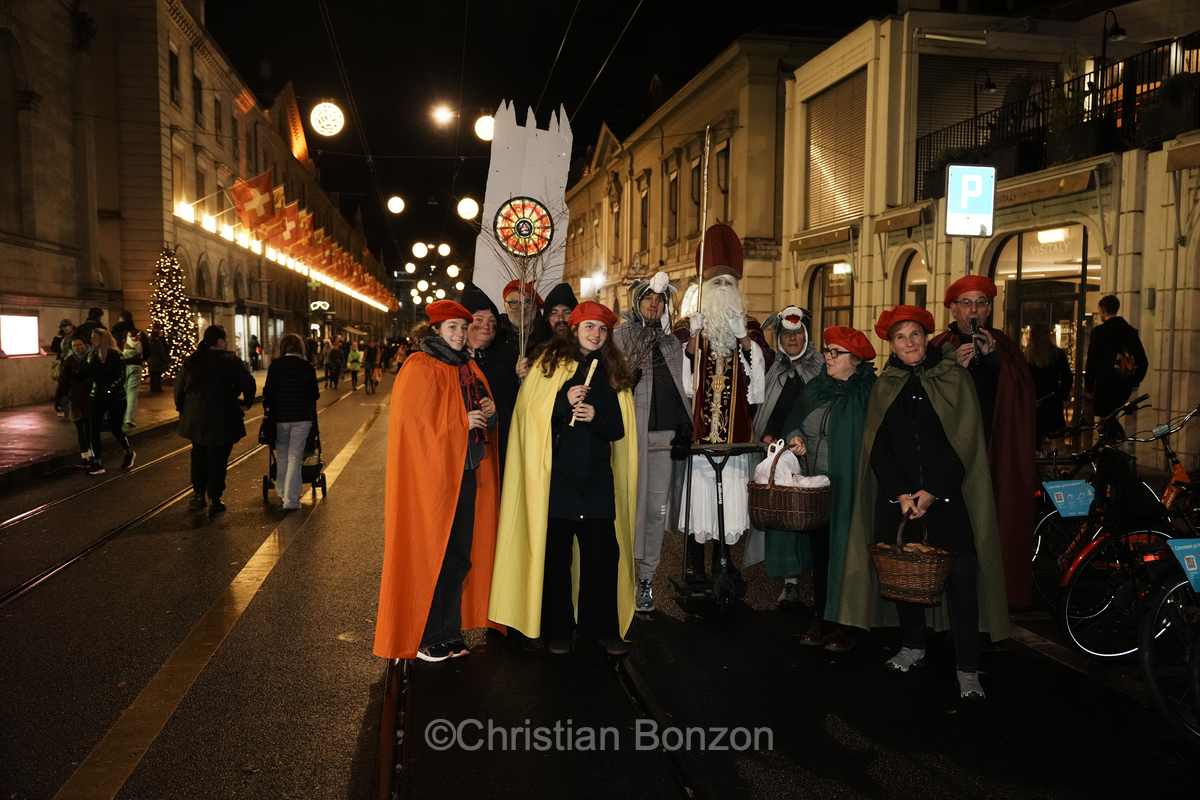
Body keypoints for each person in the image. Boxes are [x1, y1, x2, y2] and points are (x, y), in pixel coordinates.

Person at [839, 305, 1009, 701]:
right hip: (900, 501)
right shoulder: (887, 384)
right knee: (903, 577)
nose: (909, 342)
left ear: (927, 336)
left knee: (961, 582)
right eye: (901, 337)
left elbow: (963, 439)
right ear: (892, 346)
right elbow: (878, 446)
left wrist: (932, 490)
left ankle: (967, 667)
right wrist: (901, 493)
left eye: (915, 333)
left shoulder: (953, 376)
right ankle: (913, 645)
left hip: (947, 497)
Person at [489, 301, 638, 656]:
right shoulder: (549, 363)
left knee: (602, 558)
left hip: (597, 482)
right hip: (558, 481)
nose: (595, 334)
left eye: (601, 329)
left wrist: (595, 417)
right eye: (589, 327)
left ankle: (603, 628)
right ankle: (559, 628)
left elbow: (619, 429)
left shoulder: (613, 371)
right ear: (574, 329)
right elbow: (529, 414)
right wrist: (561, 401)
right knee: (556, 559)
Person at [374, 300, 502, 663]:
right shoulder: (419, 366)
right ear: (435, 331)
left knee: (459, 558)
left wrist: (490, 415)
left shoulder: (469, 367)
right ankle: (427, 635)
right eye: (453, 328)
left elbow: (483, 420)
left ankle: (449, 631)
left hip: (466, 474)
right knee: (433, 555)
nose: (461, 334)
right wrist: (463, 423)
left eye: (463, 327)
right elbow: (413, 427)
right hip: (432, 482)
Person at [930, 275, 1035, 607]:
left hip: (991, 450)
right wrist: (953, 370)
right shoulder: (938, 346)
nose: (974, 310)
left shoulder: (1002, 344)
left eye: (981, 302)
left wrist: (991, 360)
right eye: (966, 303)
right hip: (949, 455)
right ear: (952, 307)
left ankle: (988, 609)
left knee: (987, 531)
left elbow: (1018, 395)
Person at [676, 223, 773, 580]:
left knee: (727, 502)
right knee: (698, 499)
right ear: (704, 289)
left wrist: (743, 340)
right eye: (715, 282)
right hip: (700, 435)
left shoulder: (749, 329)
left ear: (737, 290)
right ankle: (692, 560)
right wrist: (692, 340)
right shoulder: (689, 328)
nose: (722, 288)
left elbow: (759, 385)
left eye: (728, 283)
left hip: (734, 434)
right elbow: (682, 383)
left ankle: (724, 559)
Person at [781, 327, 877, 652]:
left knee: (848, 557)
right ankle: (821, 615)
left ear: (857, 360)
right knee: (822, 556)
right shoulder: (816, 388)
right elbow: (798, 423)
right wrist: (796, 438)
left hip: (850, 490)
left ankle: (848, 623)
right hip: (817, 490)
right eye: (828, 351)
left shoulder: (867, 395)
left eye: (836, 352)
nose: (828, 357)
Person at [613, 271, 691, 613]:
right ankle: (619, 577)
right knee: (627, 508)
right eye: (648, 298)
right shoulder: (619, 338)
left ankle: (646, 578)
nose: (654, 304)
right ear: (636, 301)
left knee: (655, 513)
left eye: (659, 300)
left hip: (662, 439)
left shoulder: (672, 343)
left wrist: (684, 426)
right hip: (630, 437)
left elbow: (681, 388)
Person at [752, 305, 825, 609]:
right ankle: (790, 583)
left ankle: (821, 581)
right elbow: (766, 408)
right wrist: (767, 437)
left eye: (797, 333)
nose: (792, 338)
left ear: (806, 335)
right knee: (784, 515)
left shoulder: (821, 366)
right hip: (783, 454)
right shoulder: (775, 369)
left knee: (816, 514)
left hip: (816, 453)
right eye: (786, 333)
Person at [175, 325, 256, 516]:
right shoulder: (230, 361)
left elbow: (179, 389)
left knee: (199, 455)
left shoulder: (192, 360)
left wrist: (184, 409)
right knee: (218, 458)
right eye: (226, 338)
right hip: (223, 417)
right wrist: (247, 402)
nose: (228, 341)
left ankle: (198, 495)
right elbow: (248, 383)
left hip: (197, 418)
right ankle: (215, 498)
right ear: (219, 341)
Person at [461, 283, 520, 477]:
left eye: (492, 321)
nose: (486, 325)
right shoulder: (451, 361)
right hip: (465, 444)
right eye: (479, 319)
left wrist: (523, 378)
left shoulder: (508, 357)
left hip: (502, 440)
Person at [263, 334, 320, 510]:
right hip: (302, 418)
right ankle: (291, 500)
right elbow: (314, 395)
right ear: (301, 348)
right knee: (295, 458)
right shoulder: (307, 367)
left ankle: (281, 491)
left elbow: (268, 392)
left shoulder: (275, 367)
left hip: (280, 418)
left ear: (283, 348)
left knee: (282, 457)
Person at [1085, 294, 1148, 438]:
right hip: (1125, 381)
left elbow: (1093, 360)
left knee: (1106, 417)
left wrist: (1089, 386)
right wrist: (1136, 380)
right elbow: (1142, 359)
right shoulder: (1130, 332)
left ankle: (1118, 445)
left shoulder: (1100, 332)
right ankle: (1113, 449)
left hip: (1106, 382)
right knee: (1109, 417)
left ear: (1102, 310)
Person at [85, 328, 135, 475]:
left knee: (116, 429)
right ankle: (97, 462)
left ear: (102, 339)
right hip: (98, 397)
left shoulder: (116, 355)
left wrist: (109, 389)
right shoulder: (93, 355)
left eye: (94, 338)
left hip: (115, 397)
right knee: (93, 430)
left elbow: (121, 376)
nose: (91, 340)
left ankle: (128, 452)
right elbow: (87, 374)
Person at [514, 282, 580, 378]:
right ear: (547, 317)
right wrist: (525, 374)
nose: (560, 318)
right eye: (554, 312)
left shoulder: (583, 349)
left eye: (567, 312)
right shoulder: (536, 352)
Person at [1025, 323, 1073, 444]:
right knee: (1055, 436)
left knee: (1034, 434)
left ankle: (1038, 460)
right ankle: (1054, 460)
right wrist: (1062, 395)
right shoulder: (1057, 354)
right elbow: (1067, 377)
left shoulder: (1026, 356)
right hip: (1052, 398)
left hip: (1034, 399)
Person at [55, 333, 93, 469]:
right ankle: (85, 457)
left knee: (89, 429)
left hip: (90, 399)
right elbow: (63, 382)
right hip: (76, 399)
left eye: (79, 345)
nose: (77, 348)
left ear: (86, 346)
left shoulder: (92, 358)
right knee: (80, 430)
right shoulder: (70, 361)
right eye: (74, 346)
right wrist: (59, 398)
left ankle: (93, 457)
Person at [110, 311, 144, 428]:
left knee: (121, 391)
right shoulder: (139, 333)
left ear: (120, 319)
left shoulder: (114, 332)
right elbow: (148, 350)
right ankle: (130, 418)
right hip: (135, 365)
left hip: (119, 365)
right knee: (132, 392)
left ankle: (120, 415)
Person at [51, 319, 76, 418]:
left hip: (74, 363)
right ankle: (64, 409)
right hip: (64, 363)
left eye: (66, 326)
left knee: (73, 386)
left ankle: (74, 408)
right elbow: (54, 348)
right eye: (62, 327)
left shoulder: (77, 335)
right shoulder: (62, 337)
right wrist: (58, 337)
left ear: (71, 325)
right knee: (64, 386)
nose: (65, 328)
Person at [146, 323, 169, 393]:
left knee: (152, 375)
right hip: (157, 361)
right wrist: (165, 361)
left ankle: (153, 388)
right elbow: (161, 352)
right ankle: (158, 388)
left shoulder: (149, 342)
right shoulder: (158, 343)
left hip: (151, 361)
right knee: (158, 375)